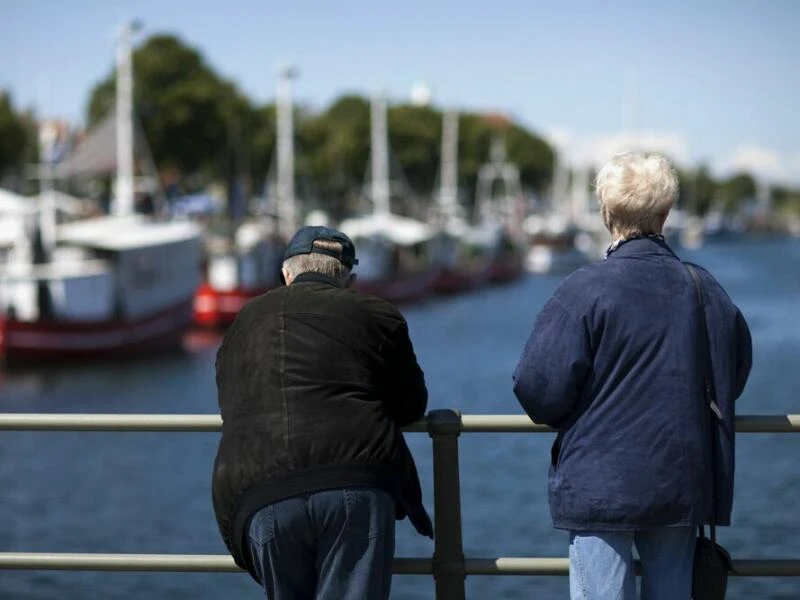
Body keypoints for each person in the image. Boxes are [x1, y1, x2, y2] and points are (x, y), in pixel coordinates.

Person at [512, 152, 752, 599]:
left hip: (600, 484)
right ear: (666, 214)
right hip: (681, 480)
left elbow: (537, 389)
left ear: (605, 215)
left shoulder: (583, 289)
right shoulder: (707, 288)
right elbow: (731, 375)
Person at [212, 225, 433, 600]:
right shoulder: (378, 314)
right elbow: (412, 404)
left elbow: (229, 402)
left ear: (285, 274)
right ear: (349, 279)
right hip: (354, 481)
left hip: (259, 492)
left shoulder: (243, 322)